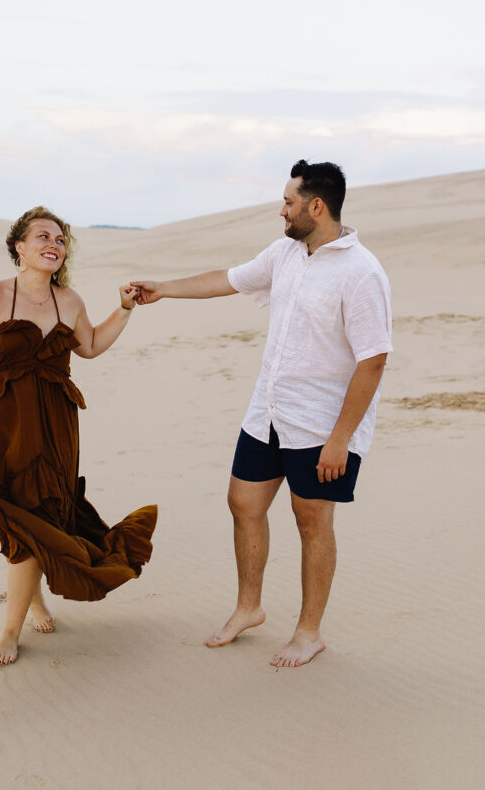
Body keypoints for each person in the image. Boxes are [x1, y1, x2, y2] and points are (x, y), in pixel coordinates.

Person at [132, 160, 391, 668]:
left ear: (317, 206)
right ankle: (248, 608)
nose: (282, 210)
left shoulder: (361, 273)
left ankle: (309, 631)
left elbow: (374, 359)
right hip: (268, 412)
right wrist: (164, 288)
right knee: (243, 503)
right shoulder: (284, 254)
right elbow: (226, 280)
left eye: (289, 203)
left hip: (321, 424)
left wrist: (341, 438)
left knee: (311, 519)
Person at [0, 207, 157, 665]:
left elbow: (89, 347)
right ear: (20, 247)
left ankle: (27, 603)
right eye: (42, 236)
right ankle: (12, 627)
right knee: (21, 517)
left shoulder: (68, 301)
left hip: (56, 427)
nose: (53, 243)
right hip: (4, 425)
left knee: (44, 514)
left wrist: (125, 310)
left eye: (60, 238)